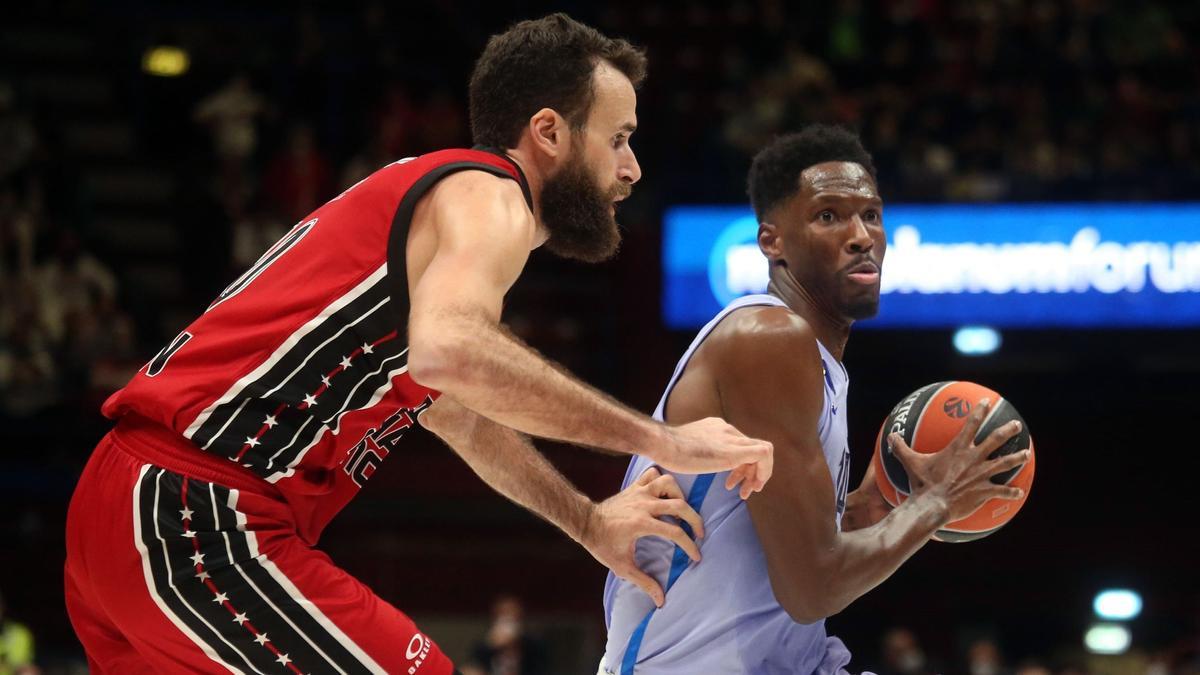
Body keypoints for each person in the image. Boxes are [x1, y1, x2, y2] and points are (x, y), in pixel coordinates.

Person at [64, 13, 773, 675]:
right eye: (618, 138)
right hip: (196, 510)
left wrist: (586, 521)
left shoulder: (433, 221)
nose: (633, 167)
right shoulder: (487, 194)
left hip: (132, 504)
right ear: (549, 132)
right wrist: (665, 442)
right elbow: (451, 350)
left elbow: (455, 408)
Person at [601, 125, 1030, 674]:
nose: (861, 236)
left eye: (871, 215)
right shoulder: (767, 339)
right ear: (771, 241)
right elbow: (812, 587)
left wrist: (878, 501)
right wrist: (936, 502)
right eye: (829, 216)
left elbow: (784, 546)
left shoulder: (814, 359)